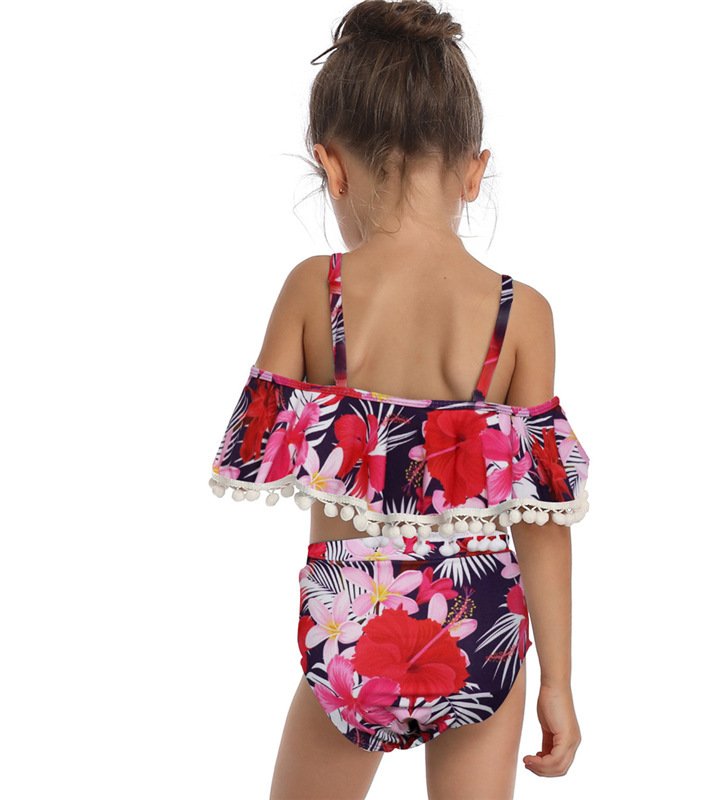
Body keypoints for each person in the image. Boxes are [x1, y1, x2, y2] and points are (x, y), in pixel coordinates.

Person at [208, 2, 590, 798]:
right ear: (474, 170)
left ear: (331, 167)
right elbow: (542, 520)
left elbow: (265, 444)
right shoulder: (522, 314)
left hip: (354, 627)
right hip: (481, 626)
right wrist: (556, 681)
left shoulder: (317, 291)